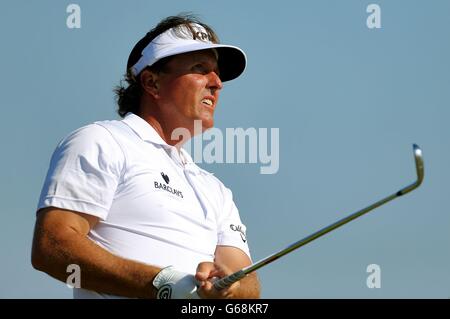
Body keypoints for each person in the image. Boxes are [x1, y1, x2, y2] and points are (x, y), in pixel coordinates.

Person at [31, 14, 260, 299]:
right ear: (152, 83)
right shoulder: (102, 140)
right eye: (200, 69)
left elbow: (247, 284)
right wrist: (162, 283)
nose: (217, 83)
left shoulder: (215, 190)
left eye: (217, 73)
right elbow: (51, 246)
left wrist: (230, 287)